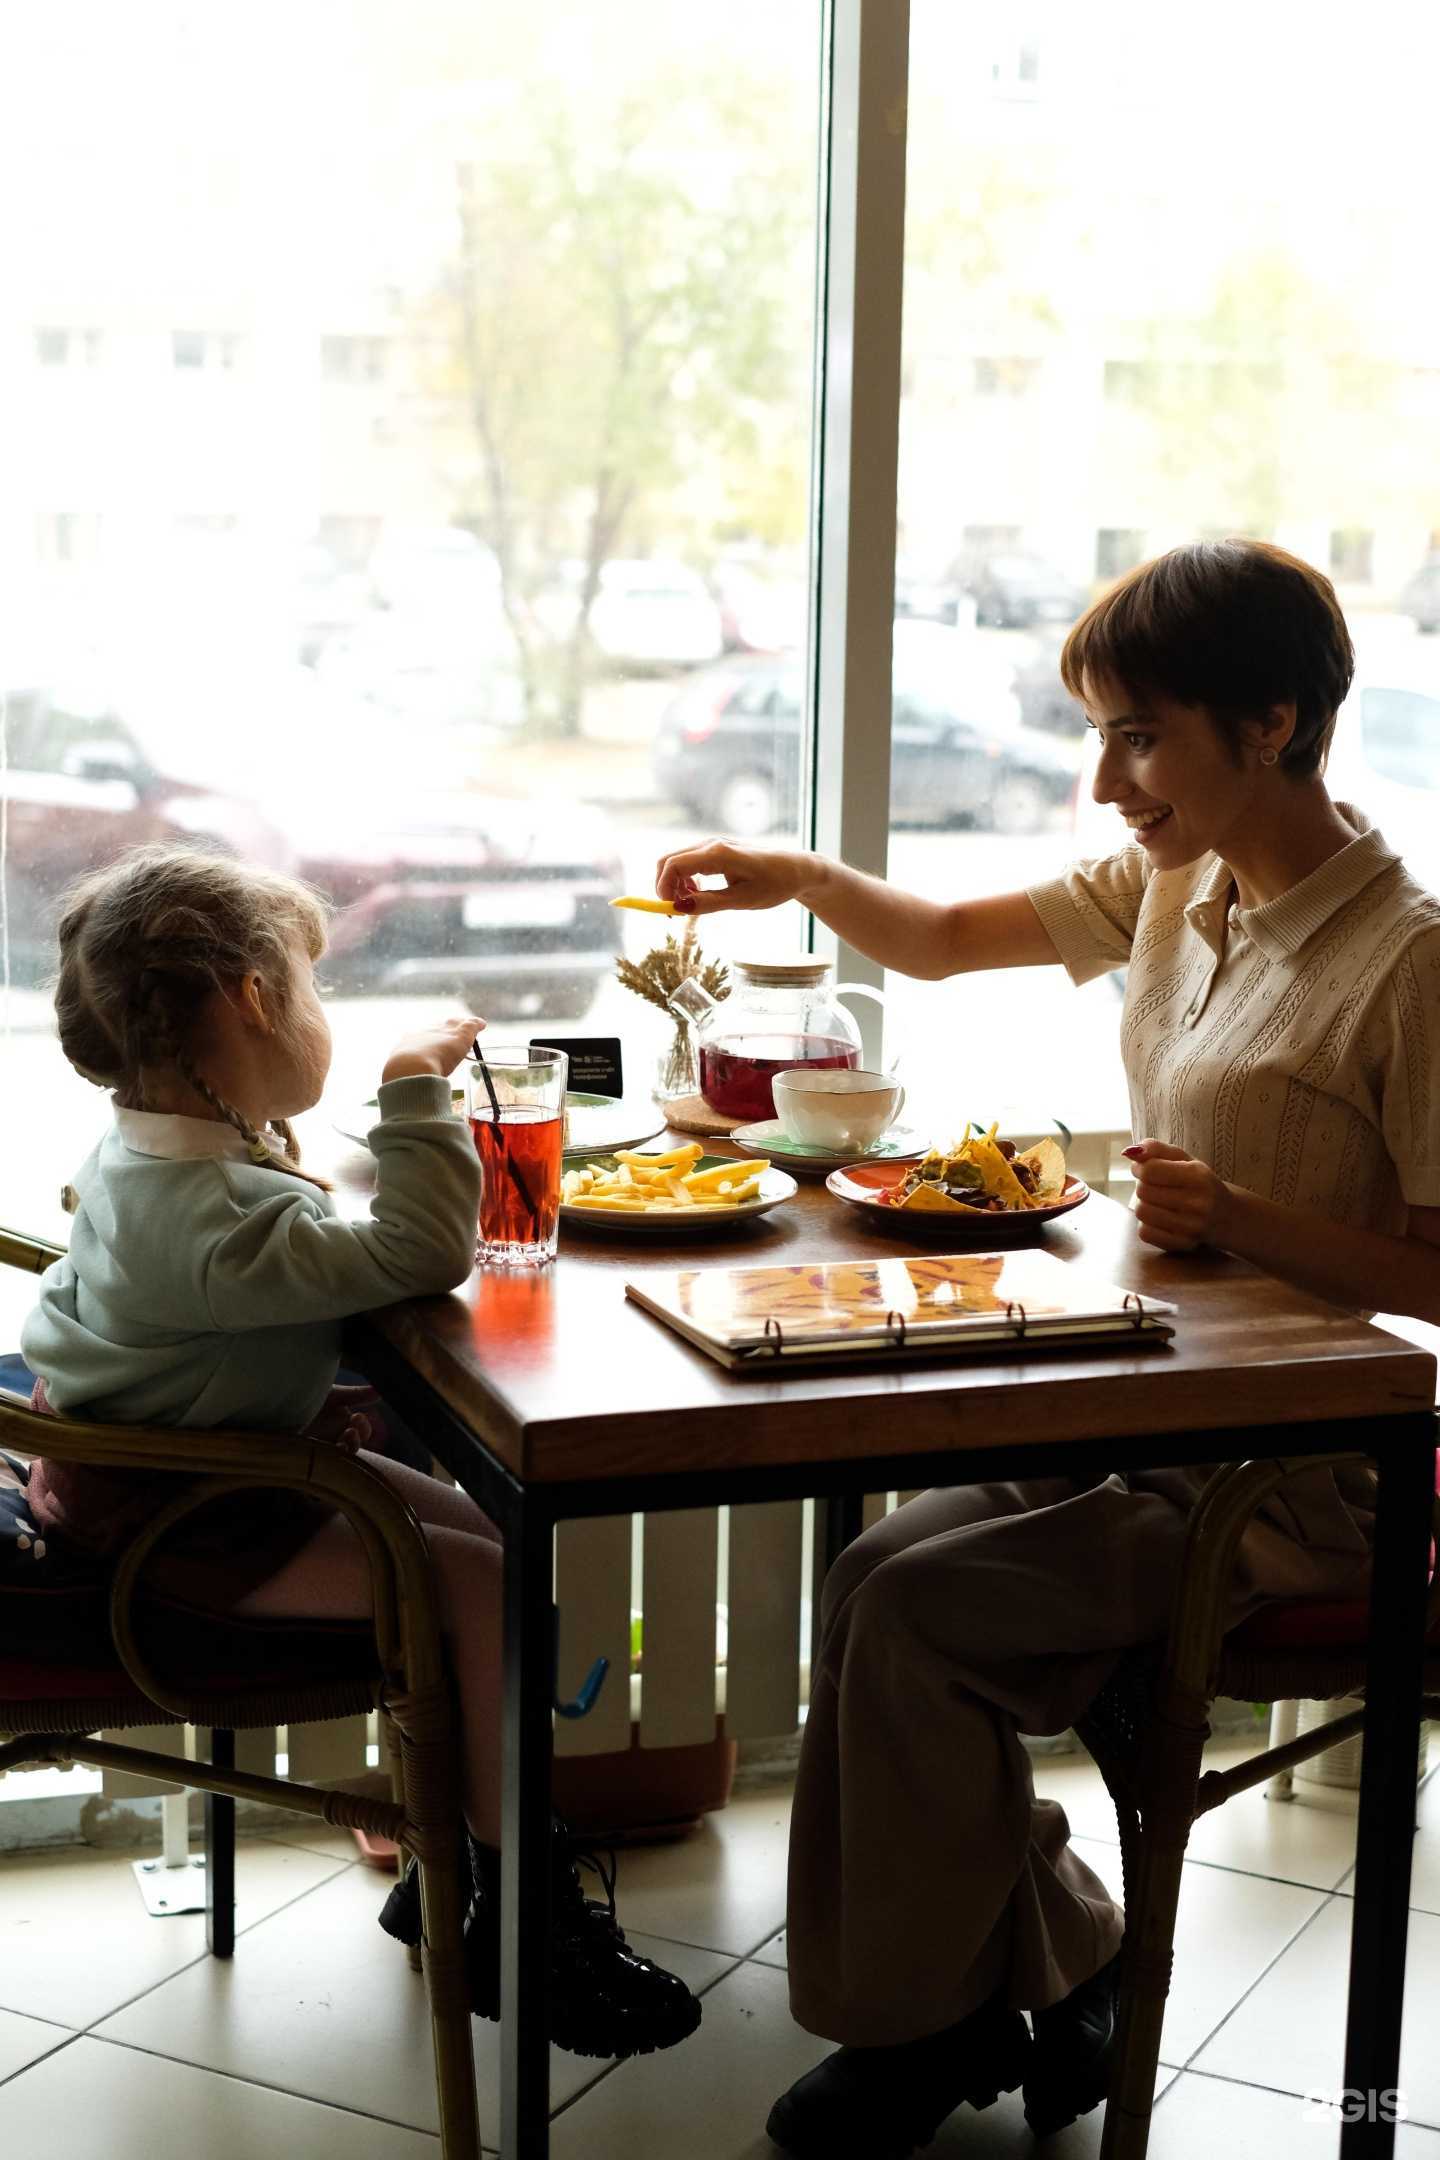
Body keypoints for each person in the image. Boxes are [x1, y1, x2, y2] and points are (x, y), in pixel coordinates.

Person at [654, 539, 1440, 2158]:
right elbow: (937, 936)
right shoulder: (1184, 883)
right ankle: (1066, 1962)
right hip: (1148, 1408)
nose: (1105, 782)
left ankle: (923, 2036)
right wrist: (794, 879)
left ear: (1273, 723)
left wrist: (1244, 1218)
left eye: (1138, 736)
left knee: (927, 1613)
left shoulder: (1410, 964)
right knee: (873, 1579)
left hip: (1298, 1480)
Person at [19, 843, 700, 2062]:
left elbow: (308, 1228)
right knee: (490, 1590)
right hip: (183, 1528)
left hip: (197, 1470)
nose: (325, 1014)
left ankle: (453, 1850)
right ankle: (518, 1919)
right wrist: (409, 1084)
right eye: (314, 988)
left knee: (491, 1538)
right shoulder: (216, 1223)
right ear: (254, 1002)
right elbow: (418, 1256)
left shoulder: (166, 1161)